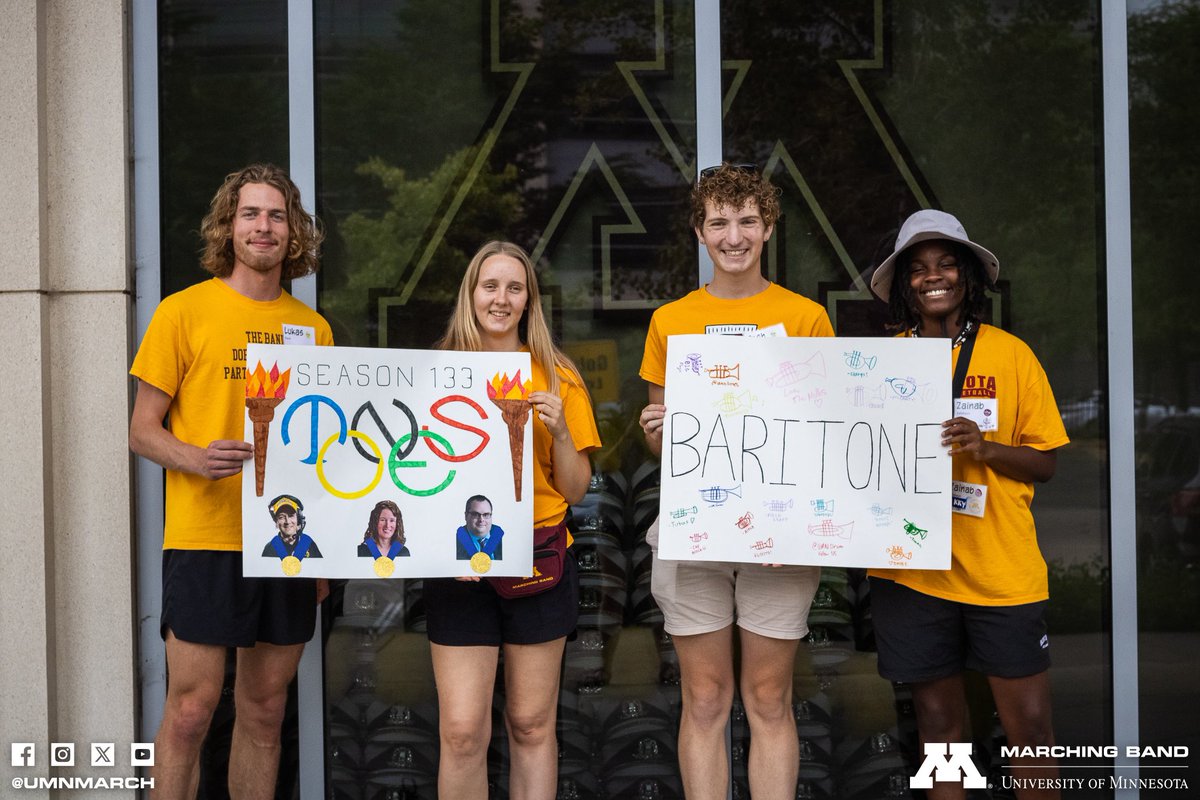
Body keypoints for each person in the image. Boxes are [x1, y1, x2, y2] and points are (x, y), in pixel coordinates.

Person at [128, 163, 334, 799]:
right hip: (207, 538)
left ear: (294, 232)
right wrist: (194, 458)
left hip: (288, 546)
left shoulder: (315, 329)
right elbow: (141, 429)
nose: (264, 226)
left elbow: (324, 448)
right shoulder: (182, 312)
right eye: (250, 214)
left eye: (277, 215)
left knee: (266, 713)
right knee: (190, 713)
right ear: (228, 225)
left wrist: (324, 554)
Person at [638, 162, 835, 800]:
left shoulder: (805, 318)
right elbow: (664, 442)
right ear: (699, 232)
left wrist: (798, 527)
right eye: (718, 222)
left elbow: (823, 435)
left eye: (747, 220)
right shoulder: (671, 320)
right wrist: (657, 428)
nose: (733, 235)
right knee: (704, 697)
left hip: (780, 540)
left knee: (770, 698)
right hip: (696, 530)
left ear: (769, 226)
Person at [867, 209, 1069, 800]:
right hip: (913, 574)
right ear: (905, 284)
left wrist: (987, 448)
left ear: (968, 276)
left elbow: (1047, 462)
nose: (934, 277)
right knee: (940, 734)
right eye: (919, 269)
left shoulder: (1012, 355)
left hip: (1001, 571)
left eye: (947, 264)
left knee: (1029, 730)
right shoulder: (881, 362)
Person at [423, 240, 601, 800]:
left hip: (538, 559)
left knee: (530, 724)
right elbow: (411, 481)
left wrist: (564, 433)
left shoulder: (559, 376)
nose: (501, 299)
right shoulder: (433, 372)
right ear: (471, 294)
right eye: (490, 285)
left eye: (514, 287)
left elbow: (575, 489)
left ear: (529, 300)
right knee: (461, 732)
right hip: (458, 568)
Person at [261, 494, 322, 572]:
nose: (287, 521)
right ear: (276, 522)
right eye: (281, 517)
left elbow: (320, 571)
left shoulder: (309, 544)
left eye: (291, 516)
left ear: (298, 519)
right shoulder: (270, 548)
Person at [455, 494, 505, 560]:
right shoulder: (455, 541)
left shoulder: (503, 538)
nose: (481, 520)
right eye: (475, 514)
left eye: (486, 514)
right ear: (466, 516)